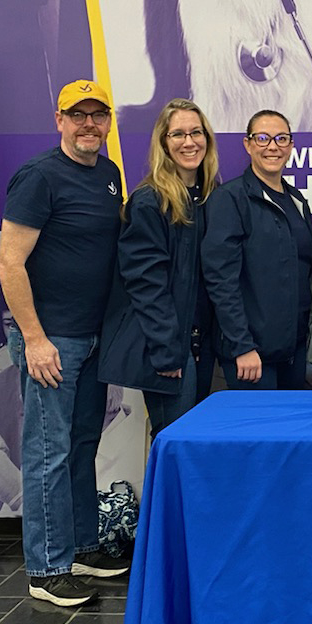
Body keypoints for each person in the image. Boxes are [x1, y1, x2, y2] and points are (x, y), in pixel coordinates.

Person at [0, 79, 128, 607]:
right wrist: (34, 339)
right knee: (48, 454)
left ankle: (81, 549)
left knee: (81, 447)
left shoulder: (110, 176)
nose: (89, 124)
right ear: (59, 120)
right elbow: (10, 262)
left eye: (98, 115)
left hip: (95, 338)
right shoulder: (39, 177)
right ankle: (47, 569)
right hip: (52, 342)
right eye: (79, 115)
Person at [100, 99, 218, 436]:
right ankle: (163, 494)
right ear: (164, 143)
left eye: (196, 132)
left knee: (195, 444)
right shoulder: (150, 201)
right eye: (177, 134)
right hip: (170, 349)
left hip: (201, 344)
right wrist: (167, 353)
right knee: (174, 440)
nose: (188, 142)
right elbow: (145, 283)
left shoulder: (211, 197)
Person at [202, 109, 312, 390]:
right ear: (247, 144)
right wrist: (242, 345)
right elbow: (221, 281)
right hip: (251, 356)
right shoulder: (230, 199)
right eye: (262, 138)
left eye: (281, 138)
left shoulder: (297, 200)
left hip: (293, 352)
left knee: (289, 433)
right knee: (257, 434)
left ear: (291, 146)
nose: (272, 146)